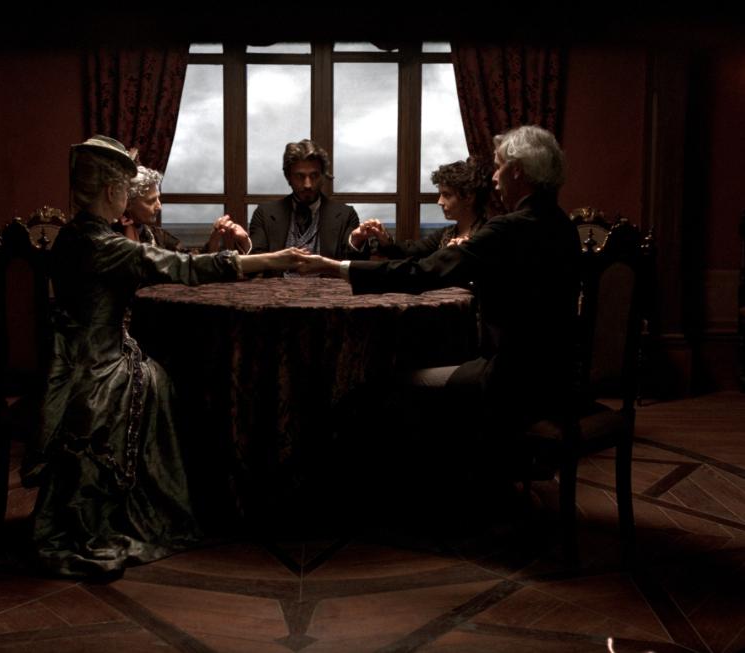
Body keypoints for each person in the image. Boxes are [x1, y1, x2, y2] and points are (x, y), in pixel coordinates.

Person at [21, 135, 304, 577]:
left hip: (72, 359)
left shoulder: (74, 235)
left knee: (161, 373)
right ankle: (166, 502)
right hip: (99, 369)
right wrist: (272, 259)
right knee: (165, 381)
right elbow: (186, 268)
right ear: (113, 192)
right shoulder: (105, 245)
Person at [297, 125, 581, 495]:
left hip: (510, 382)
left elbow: (423, 273)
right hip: (554, 380)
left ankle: (408, 493)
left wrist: (337, 267)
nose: (494, 178)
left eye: (498, 167)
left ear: (517, 172)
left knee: (377, 386)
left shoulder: (508, 229)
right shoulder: (562, 225)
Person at [352, 156, 502, 258]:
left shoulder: (490, 233)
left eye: (447, 195)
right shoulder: (446, 234)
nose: (440, 202)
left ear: (469, 197)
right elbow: (410, 251)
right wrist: (385, 239)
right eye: (440, 194)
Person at [248, 139, 367, 265]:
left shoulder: (346, 215)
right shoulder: (264, 214)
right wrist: (244, 242)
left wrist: (356, 242)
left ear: (322, 177)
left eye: (314, 176)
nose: (307, 185)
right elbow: (254, 262)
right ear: (288, 177)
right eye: (300, 176)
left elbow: (353, 266)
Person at [116, 165, 252, 253]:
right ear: (128, 203)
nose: (159, 206)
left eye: (158, 199)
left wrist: (214, 238)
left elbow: (191, 261)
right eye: (151, 201)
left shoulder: (157, 235)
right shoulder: (110, 237)